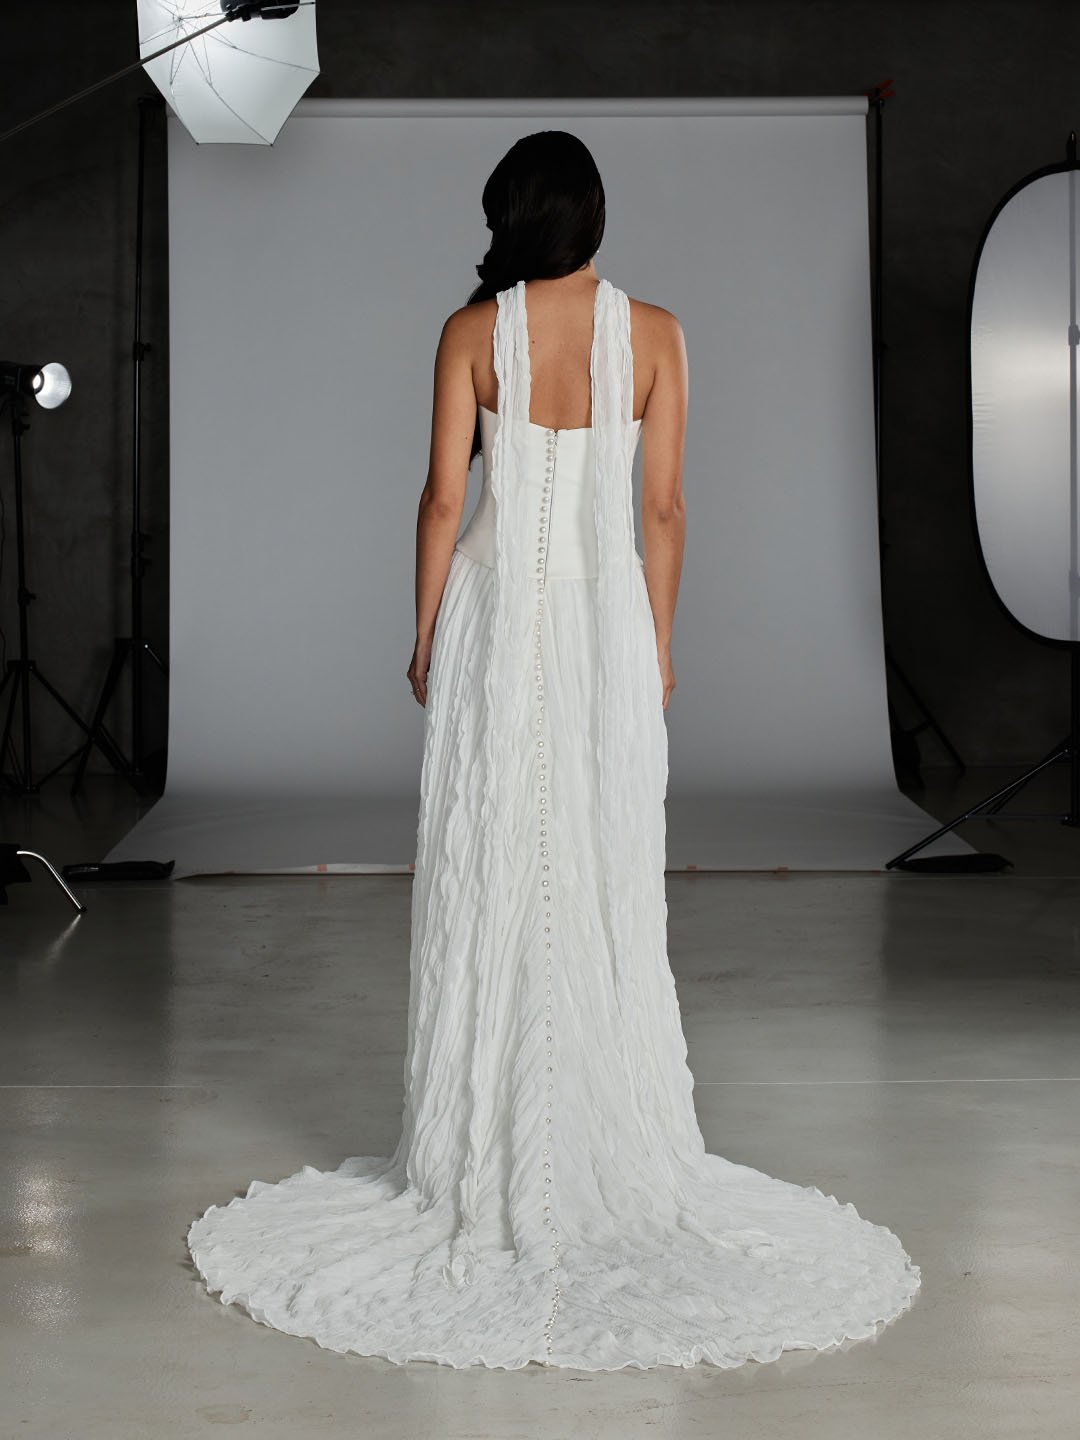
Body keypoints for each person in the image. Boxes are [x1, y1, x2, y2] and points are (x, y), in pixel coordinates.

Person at [186, 130, 921, 1371]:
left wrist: (420, 639)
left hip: (492, 621)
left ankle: (480, 1143)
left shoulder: (471, 334)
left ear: (509, 219)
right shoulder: (663, 335)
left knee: (489, 869)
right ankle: (588, 1133)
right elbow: (667, 508)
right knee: (593, 870)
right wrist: (661, 649)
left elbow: (437, 499)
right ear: (591, 215)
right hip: (605, 628)